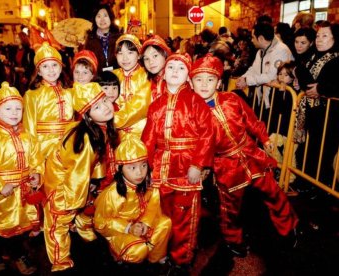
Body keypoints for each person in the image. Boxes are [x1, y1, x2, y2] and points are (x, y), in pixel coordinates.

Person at [191, 54, 299, 258]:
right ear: (191, 82)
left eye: (210, 79)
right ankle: (233, 240)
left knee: (274, 192)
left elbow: (251, 121)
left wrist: (265, 139)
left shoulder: (232, 99)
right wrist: (201, 166)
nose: (204, 84)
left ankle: (288, 226)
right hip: (225, 165)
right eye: (199, 79)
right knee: (230, 207)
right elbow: (197, 145)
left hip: (251, 154)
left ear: (219, 82)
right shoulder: (193, 112)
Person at [141, 53, 215, 274]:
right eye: (170, 67)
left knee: (186, 215)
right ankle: (161, 251)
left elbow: (207, 135)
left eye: (180, 68)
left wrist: (198, 164)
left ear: (188, 75)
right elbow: (148, 139)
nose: (174, 71)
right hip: (160, 168)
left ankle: (182, 258)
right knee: (163, 213)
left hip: (186, 168)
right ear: (163, 73)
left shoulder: (196, 102)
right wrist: (143, 165)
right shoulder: (156, 106)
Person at [43, 82, 118, 272]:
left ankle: (83, 228)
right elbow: (76, 178)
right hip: (62, 185)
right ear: (87, 115)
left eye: (104, 101)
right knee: (59, 222)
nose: (106, 107)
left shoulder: (98, 128)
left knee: (88, 205)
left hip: (79, 181)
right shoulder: (85, 139)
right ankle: (61, 263)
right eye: (97, 107)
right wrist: (73, 202)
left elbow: (93, 164)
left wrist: (94, 182)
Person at [0, 82, 43, 275]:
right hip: (2, 196)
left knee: (20, 228)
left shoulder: (28, 137)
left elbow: (36, 159)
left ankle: (17, 253)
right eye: (8, 108)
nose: (14, 113)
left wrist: (37, 174)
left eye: (18, 108)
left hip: (22, 192)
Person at [94, 136, 172, 270]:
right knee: (138, 251)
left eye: (143, 165)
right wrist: (128, 228)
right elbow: (100, 223)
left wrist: (145, 223)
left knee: (165, 223)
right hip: (121, 232)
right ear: (120, 167)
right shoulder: (113, 193)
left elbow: (154, 206)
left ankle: (155, 258)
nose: (140, 172)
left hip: (141, 224)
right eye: (132, 167)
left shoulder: (148, 184)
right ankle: (118, 252)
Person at [294, 21, 339, 185]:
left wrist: (322, 88)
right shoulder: (312, 55)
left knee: (324, 153)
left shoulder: (336, 59)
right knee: (309, 150)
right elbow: (304, 77)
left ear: (335, 39)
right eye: (318, 35)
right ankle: (307, 182)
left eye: (325, 36)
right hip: (311, 112)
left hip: (330, 116)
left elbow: (324, 84)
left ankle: (321, 188)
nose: (319, 39)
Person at [23, 42, 74, 160]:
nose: (51, 70)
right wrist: (34, 160)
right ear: (39, 71)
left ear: (61, 68)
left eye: (54, 65)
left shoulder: (69, 92)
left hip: (68, 145)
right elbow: (29, 128)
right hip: (44, 149)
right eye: (45, 66)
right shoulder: (32, 95)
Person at [236, 23, 293, 115]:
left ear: (261, 39)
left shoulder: (280, 50)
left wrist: (247, 80)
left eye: (253, 37)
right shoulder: (260, 52)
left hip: (279, 98)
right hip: (264, 96)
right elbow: (254, 69)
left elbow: (271, 76)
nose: (251, 40)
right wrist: (243, 78)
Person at [113, 34, 151, 139]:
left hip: (141, 134)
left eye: (130, 52)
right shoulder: (112, 76)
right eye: (120, 53)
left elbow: (141, 105)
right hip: (116, 136)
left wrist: (110, 120)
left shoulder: (146, 75)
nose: (125, 58)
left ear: (139, 55)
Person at [96, 70, 121, 190]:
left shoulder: (119, 109)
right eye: (106, 87)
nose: (111, 92)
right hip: (101, 158)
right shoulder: (93, 110)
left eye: (114, 88)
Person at [84, 4, 122, 72]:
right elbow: (87, 63)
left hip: (118, 77)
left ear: (111, 18)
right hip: (98, 79)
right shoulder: (90, 41)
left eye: (105, 15)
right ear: (94, 19)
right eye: (98, 16)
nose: (102, 19)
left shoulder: (119, 38)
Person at [141, 35, 171, 100]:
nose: (150, 62)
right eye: (146, 59)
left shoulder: (175, 79)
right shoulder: (144, 81)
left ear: (165, 54)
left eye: (155, 56)